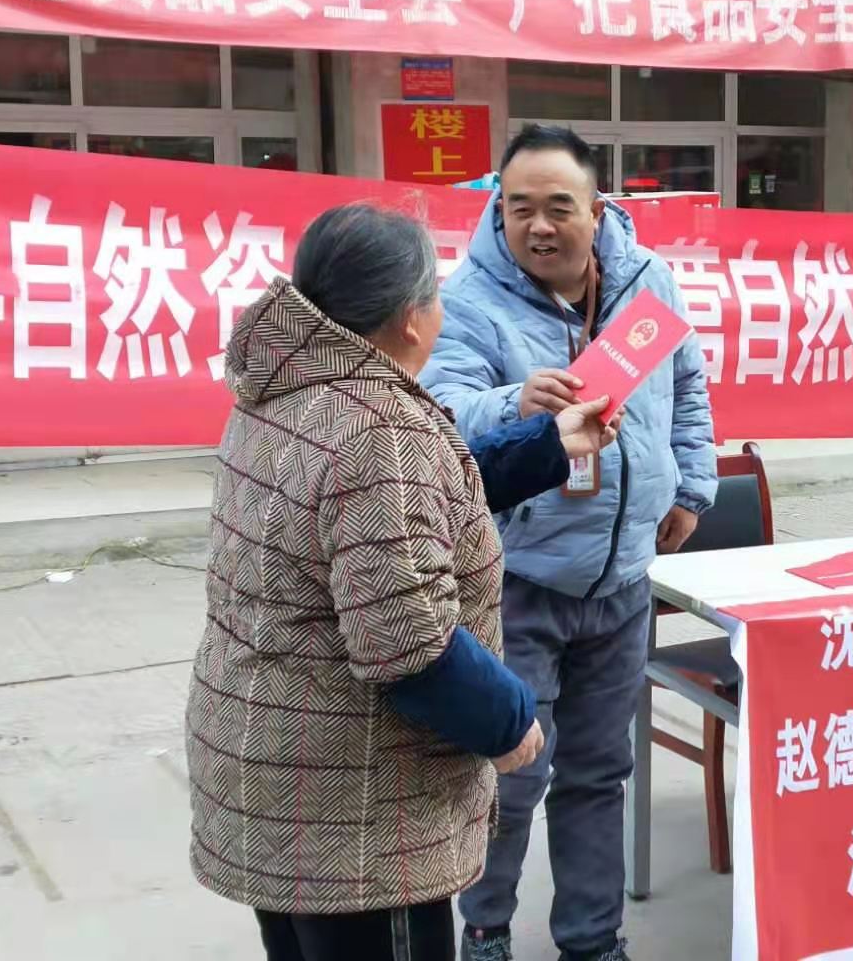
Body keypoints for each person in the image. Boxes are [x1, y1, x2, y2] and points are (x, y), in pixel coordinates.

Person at [186, 203, 621, 961]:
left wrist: (549, 445)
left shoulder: (292, 387)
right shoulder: (377, 427)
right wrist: (510, 723)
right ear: (411, 319)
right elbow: (409, 645)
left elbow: (408, 507)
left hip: (268, 760)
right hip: (352, 808)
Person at [422, 125, 719, 961]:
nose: (539, 226)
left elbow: (687, 387)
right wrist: (516, 403)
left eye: (559, 207)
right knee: (511, 773)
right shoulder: (469, 300)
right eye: (519, 209)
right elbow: (442, 411)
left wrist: (689, 487)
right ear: (499, 213)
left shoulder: (648, 280)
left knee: (599, 773)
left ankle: (592, 940)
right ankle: (486, 931)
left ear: (597, 211)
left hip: (622, 580)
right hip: (519, 580)